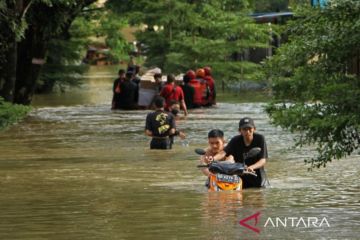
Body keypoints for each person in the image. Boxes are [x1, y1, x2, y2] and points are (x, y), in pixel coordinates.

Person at [211, 117, 268, 188]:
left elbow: (263, 160)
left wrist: (251, 167)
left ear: (254, 129)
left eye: (249, 129)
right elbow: (223, 152)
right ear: (239, 130)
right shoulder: (235, 140)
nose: (247, 131)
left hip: (258, 179)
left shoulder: (260, 139)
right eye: (244, 129)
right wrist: (213, 159)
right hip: (240, 179)